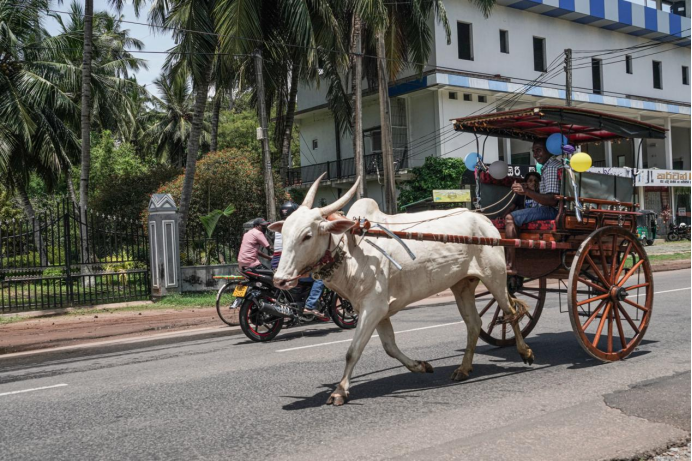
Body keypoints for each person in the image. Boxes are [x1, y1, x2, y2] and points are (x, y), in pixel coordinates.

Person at [505, 140, 562, 273]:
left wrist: (526, 192)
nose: (535, 154)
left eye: (539, 150)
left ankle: (510, 263)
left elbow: (552, 200)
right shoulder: (550, 166)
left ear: (549, 149)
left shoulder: (552, 167)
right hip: (551, 209)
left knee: (510, 218)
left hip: (552, 211)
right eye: (534, 151)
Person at [272, 201, 327, 320]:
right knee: (320, 278)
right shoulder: (295, 228)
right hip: (289, 265)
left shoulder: (281, 226)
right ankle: (310, 305)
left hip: (276, 263)